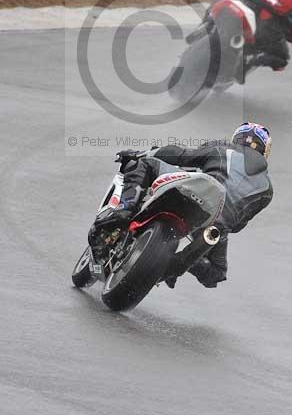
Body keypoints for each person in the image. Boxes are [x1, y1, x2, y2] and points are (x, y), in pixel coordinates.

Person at [89, 122, 273, 289]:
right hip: (215, 223)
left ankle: (125, 209)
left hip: (195, 191)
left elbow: (182, 155)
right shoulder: (267, 190)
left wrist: (141, 153)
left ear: (237, 138)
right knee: (217, 272)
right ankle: (174, 263)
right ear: (265, 150)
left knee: (144, 163)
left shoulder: (223, 147)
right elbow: (239, 225)